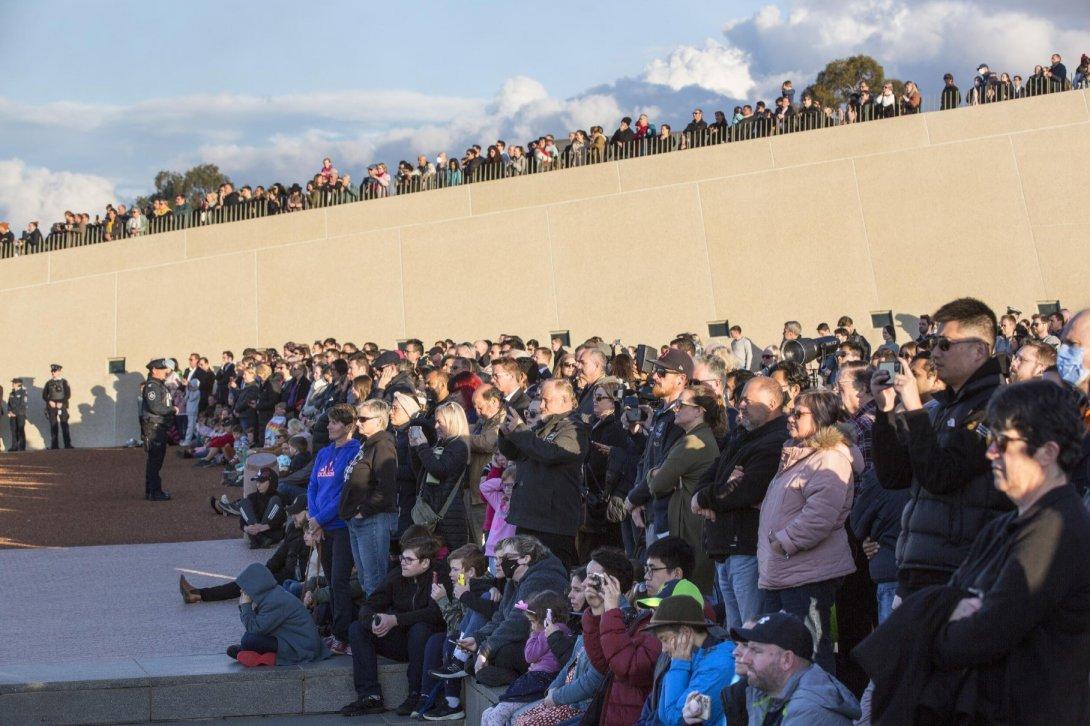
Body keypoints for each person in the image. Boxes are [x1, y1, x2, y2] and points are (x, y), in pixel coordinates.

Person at [871, 297, 1012, 597]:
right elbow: (894, 476)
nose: (934, 352)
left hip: (963, 569)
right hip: (918, 562)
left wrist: (914, 408)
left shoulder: (998, 406)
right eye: (934, 343)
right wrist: (885, 412)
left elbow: (941, 476)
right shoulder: (941, 407)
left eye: (945, 344)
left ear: (979, 350)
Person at [758, 390, 858, 673]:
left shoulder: (829, 459)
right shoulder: (798, 456)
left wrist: (783, 541)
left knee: (811, 652)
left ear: (821, 419)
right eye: (790, 412)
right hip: (782, 572)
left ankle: (819, 701)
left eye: (798, 414)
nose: (790, 418)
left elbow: (819, 517)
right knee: (778, 650)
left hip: (807, 575)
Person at [693, 376, 790, 630]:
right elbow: (708, 477)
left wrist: (705, 498)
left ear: (771, 403)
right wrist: (709, 492)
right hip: (726, 547)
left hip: (747, 548)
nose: (740, 405)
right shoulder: (741, 437)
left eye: (748, 400)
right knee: (734, 632)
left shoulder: (776, 441)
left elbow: (745, 491)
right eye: (740, 400)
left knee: (751, 630)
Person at [341, 535, 449, 717]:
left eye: (409, 560)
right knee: (357, 629)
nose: (403, 563)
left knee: (420, 629)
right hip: (401, 641)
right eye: (402, 558)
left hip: (428, 644)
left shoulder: (439, 575)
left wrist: (395, 620)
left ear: (425, 563)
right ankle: (370, 696)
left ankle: (416, 694)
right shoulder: (397, 575)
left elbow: (435, 614)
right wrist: (373, 620)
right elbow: (370, 604)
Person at [500, 379, 589, 569]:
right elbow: (515, 452)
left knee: (552, 571)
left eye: (546, 400)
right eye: (540, 399)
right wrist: (506, 433)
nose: (541, 406)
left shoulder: (574, 428)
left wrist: (520, 431)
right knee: (522, 571)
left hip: (553, 522)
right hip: (529, 516)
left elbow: (549, 453)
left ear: (564, 400)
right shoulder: (542, 425)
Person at [465, 535, 570, 686]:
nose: (499, 562)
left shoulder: (540, 578)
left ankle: (522, 679)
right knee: (471, 663)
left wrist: (486, 648)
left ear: (525, 558)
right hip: (525, 640)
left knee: (501, 654)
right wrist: (478, 638)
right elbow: (500, 617)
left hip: (544, 647)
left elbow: (518, 623)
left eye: (506, 557)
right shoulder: (514, 581)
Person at [647, 384, 721, 591]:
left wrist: (652, 473)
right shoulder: (695, 437)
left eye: (681, 404)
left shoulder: (693, 442)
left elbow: (658, 484)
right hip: (690, 527)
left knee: (688, 592)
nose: (675, 408)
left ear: (699, 411)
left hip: (691, 530)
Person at [731, 612, 860, 724]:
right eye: (748, 648)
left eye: (755, 651)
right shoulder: (767, 691)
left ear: (786, 660)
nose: (744, 659)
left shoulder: (808, 710)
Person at [307, 403, 362, 655]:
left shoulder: (355, 451)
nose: (328, 426)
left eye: (334, 422)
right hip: (322, 526)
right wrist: (314, 519)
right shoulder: (323, 453)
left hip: (341, 526)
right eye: (329, 421)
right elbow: (312, 486)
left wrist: (320, 519)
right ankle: (334, 630)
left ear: (348, 426)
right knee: (330, 580)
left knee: (340, 581)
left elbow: (344, 493)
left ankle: (344, 635)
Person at [341, 398, 398, 597]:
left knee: (374, 583)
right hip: (357, 520)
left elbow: (386, 487)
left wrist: (363, 511)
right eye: (358, 418)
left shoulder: (383, 445)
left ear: (379, 421)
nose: (358, 423)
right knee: (365, 580)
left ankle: (377, 617)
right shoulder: (367, 444)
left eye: (363, 419)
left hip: (371, 520)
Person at [228, 562, 329, 668]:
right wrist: (249, 606)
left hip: (302, 648)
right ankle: (255, 654)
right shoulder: (272, 594)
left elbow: (254, 628)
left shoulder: (274, 601)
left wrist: (245, 605)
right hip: (295, 640)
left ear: (255, 585)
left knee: (248, 640)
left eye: (244, 587)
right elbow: (260, 625)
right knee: (248, 639)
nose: (242, 591)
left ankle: (266, 656)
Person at [410, 401, 471, 549]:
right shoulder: (441, 444)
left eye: (440, 422)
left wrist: (423, 447)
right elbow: (420, 471)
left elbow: (439, 470)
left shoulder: (458, 446)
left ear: (452, 422)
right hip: (434, 512)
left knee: (451, 558)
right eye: (435, 422)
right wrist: (415, 448)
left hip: (448, 516)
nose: (436, 426)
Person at [141, 358, 175, 501]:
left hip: (158, 426)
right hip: (154, 428)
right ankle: (155, 492)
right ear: (154, 370)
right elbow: (156, 407)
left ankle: (151, 491)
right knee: (155, 461)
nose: (165, 372)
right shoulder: (152, 386)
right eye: (162, 369)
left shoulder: (159, 385)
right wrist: (172, 409)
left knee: (155, 461)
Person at [43, 363, 72, 449]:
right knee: (53, 425)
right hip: (52, 407)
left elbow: (68, 394)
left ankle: (67, 445)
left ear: (59, 372)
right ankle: (54, 445)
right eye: (52, 371)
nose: (52, 373)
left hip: (61, 406)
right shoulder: (48, 383)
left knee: (64, 424)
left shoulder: (64, 382)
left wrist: (61, 402)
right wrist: (49, 401)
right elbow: (44, 395)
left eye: (54, 371)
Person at [7, 377, 27, 451]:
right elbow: (9, 404)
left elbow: (23, 404)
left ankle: (22, 446)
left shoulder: (23, 392)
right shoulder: (11, 393)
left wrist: (15, 413)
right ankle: (14, 446)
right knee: (13, 430)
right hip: (12, 415)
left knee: (20, 430)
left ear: (19, 384)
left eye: (14, 383)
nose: (12, 384)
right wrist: (9, 411)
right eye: (13, 382)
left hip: (20, 414)